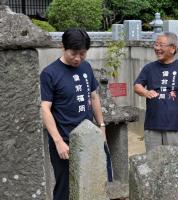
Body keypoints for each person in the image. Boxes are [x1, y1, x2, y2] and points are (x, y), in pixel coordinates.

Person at [40, 28, 106, 200]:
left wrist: (102, 126)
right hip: (64, 140)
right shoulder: (50, 73)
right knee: (64, 186)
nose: (78, 58)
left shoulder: (86, 67)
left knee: (90, 181)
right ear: (63, 47)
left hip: (88, 136)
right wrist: (58, 142)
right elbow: (45, 108)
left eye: (82, 54)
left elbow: (93, 96)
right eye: (74, 53)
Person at [134, 32, 178, 152]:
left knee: (176, 162)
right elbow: (137, 86)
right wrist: (146, 92)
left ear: (172, 48)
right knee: (153, 163)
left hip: (175, 125)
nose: (157, 48)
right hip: (153, 125)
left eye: (161, 45)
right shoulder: (149, 68)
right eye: (156, 44)